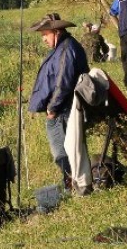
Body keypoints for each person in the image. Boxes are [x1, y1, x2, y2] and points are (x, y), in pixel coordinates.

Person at [27, 13, 90, 188]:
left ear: (56, 31)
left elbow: (63, 82)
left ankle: (72, 184)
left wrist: (52, 108)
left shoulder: (66, 48)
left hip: (64, 110)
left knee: (62, 151)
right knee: (67, 149)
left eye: (45, 34)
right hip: (63, 108)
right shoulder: (62, 47)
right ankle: (72, 182)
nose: (43, 39)